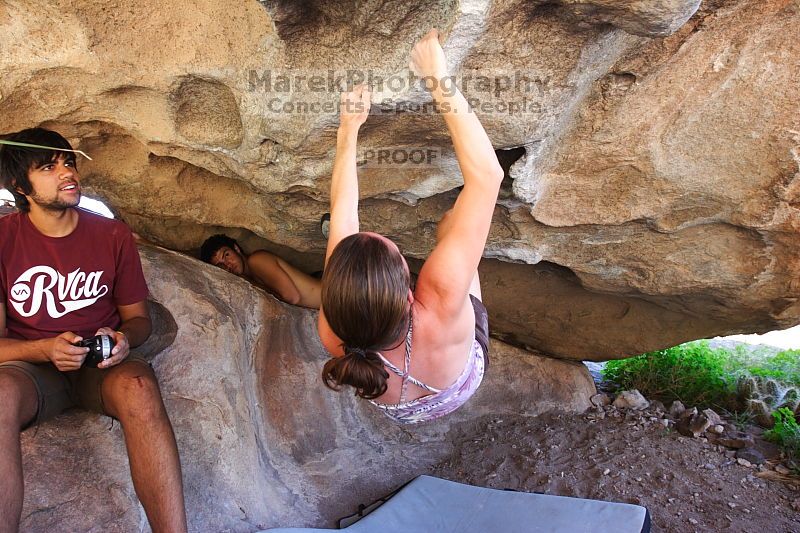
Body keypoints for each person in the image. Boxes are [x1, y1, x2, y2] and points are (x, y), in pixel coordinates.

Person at [0, 128, 187, 532]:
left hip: (99, 369)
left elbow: (138, 320)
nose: (67, 172)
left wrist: (123, 341)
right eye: (49, 167)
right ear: (19, 185)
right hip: (32, 373)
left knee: (139, 386)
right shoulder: (2, 240)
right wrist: (45, 348)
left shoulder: (112, 234)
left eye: (68, 161)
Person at [317, 29, 503, 424]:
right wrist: (437, 75)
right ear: (409, 294)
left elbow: (343, 211)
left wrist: (348, 128)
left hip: (400, 410)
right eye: (398, 254)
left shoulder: (337, 323)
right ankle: (450, 233)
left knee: (451, 247)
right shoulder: (438, 298)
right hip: (459, 381)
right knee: (453, 224)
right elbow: (487, 177)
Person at [200, 234, 321, 309]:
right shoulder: (251, 276)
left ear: (236, 248)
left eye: (226, 254)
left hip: (333, 300)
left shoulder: (257, 260)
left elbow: (291, 297)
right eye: (220, 265)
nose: (227, 264)